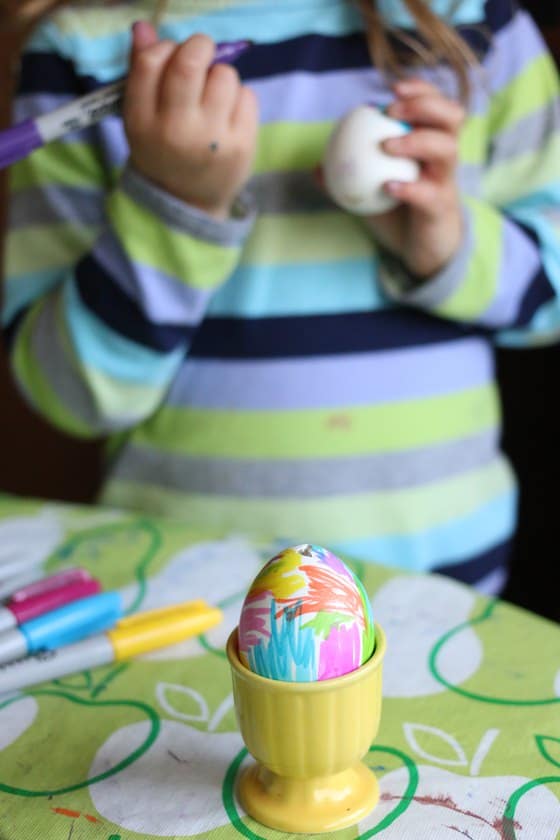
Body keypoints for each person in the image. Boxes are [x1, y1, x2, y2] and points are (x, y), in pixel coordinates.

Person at [2, 0, 559, 595]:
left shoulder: (474, 25)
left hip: (436, 575)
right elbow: (72, 392)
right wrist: (175, 206)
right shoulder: (83, 52)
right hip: (188, 584)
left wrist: (448, 244)